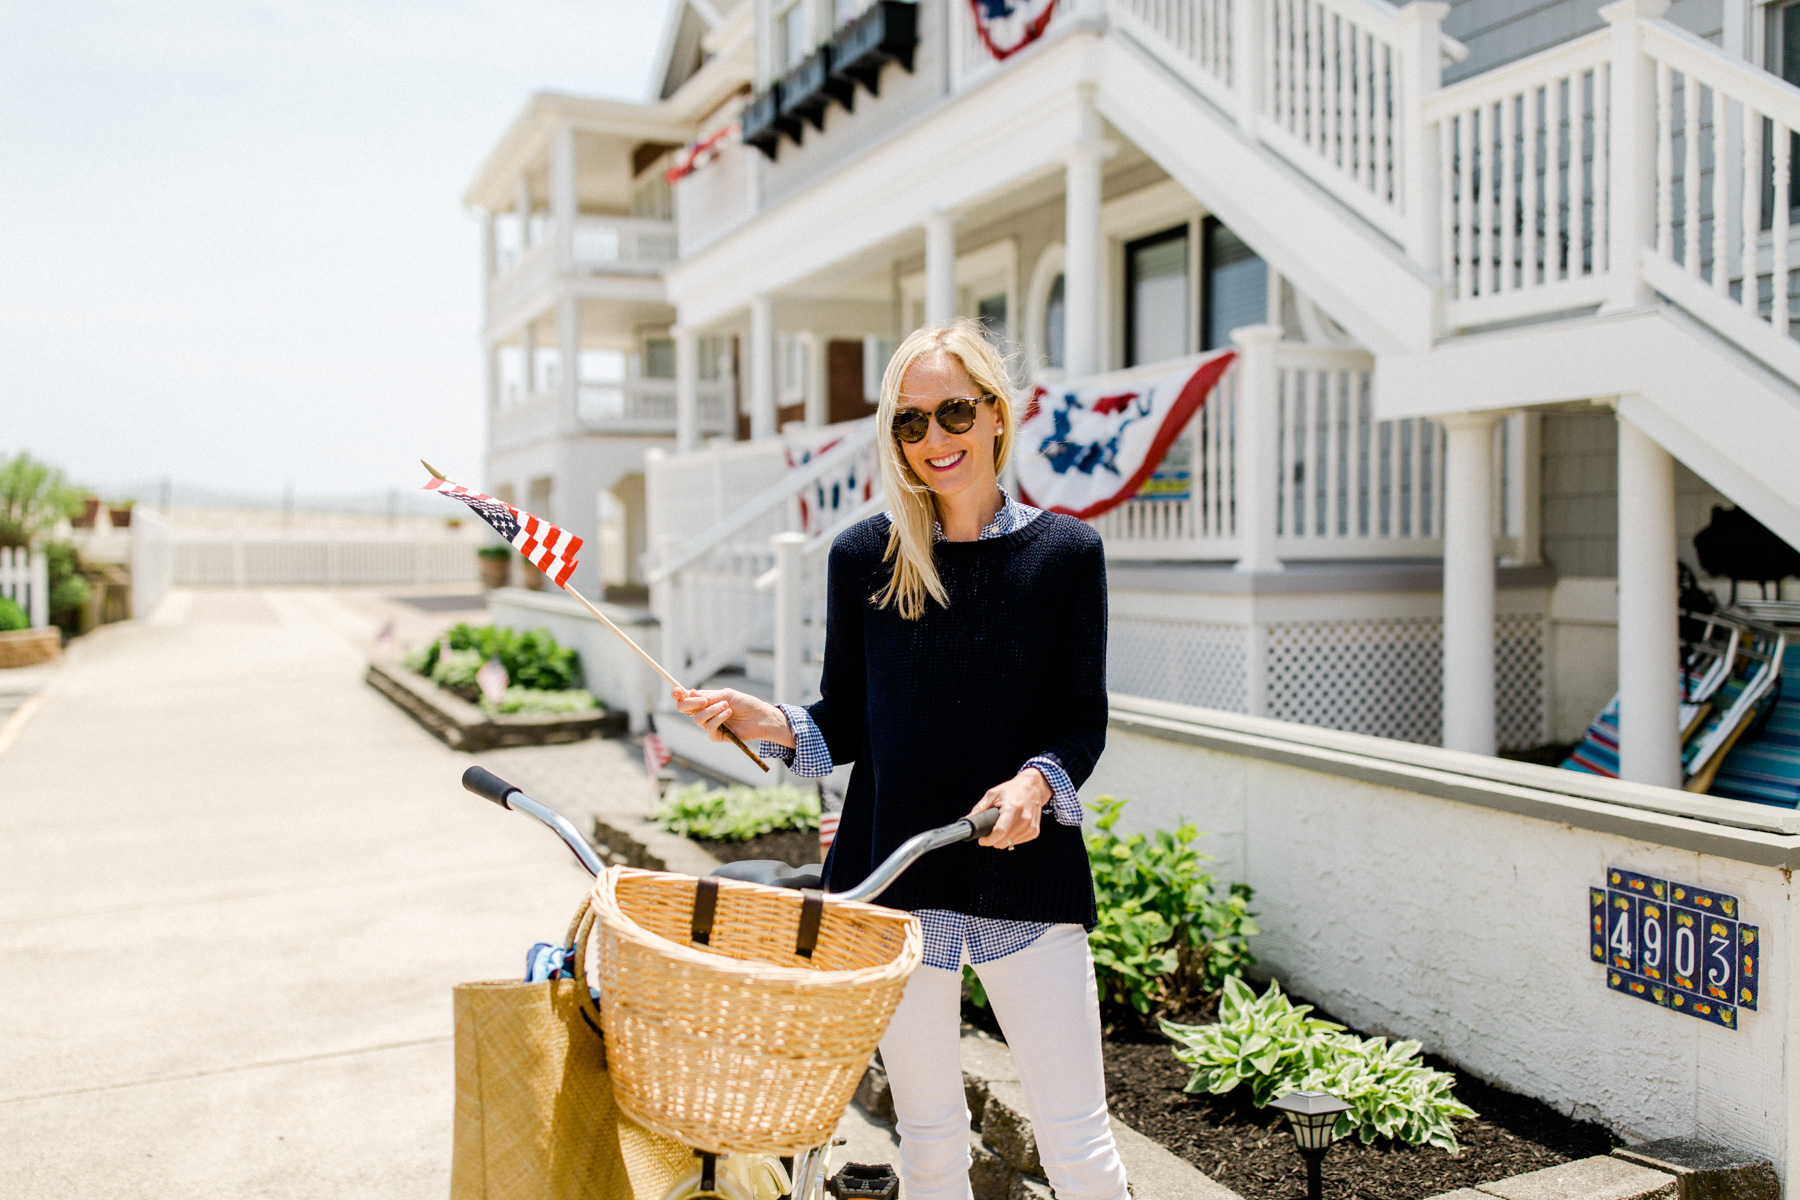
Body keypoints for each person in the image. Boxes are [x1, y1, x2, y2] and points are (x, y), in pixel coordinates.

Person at [674, 318, 1127, 1200]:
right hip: (894, 887)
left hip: (1024, 880)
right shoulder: (864, 558)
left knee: (1078, 1149)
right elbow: (844, 721)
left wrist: (1038, 782)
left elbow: (1082, 721)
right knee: (927, 1143)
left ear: (996, 413)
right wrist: (760, 718)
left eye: (952, 412)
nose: (933, 439)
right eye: (909, 423)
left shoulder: (1067, 554)